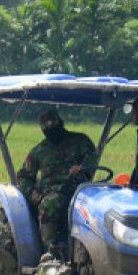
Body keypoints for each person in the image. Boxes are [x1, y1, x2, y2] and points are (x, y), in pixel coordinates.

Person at [17, 108, 97, 252]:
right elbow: (23, 178)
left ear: (61, 124)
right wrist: (35, 196)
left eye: (55, 126)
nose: (52, 131)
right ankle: (50, 250)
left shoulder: (80, 141)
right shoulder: (39, 151)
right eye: (48, 129)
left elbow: (92, 159)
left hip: (80, 189)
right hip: (51, 193)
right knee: (50, 203)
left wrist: (82, 168)